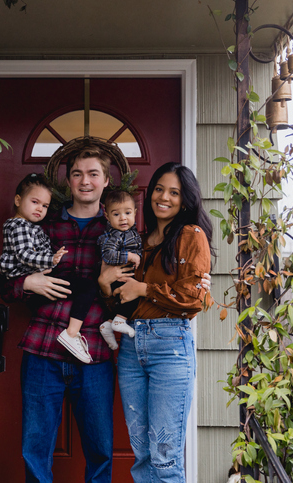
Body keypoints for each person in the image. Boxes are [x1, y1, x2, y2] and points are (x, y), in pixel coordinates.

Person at [0, 147, 115, 483]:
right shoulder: (42, 225)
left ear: (105, 181)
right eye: (77, 173)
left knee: (101, 451)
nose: (85, 181)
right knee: (35, 450)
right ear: (69, 180)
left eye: (93, 174)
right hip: (43, 351)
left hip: (93, 353)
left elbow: (128, 289)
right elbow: (5, 284)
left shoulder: (116, 230)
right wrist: (27, 282)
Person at [99, 162, 214, 482]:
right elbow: (123, 301)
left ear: (186, 200)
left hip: (170, 346)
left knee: (165, 456)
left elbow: (195, 299)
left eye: (174, 192)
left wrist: (145, 288)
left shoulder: (191, 236)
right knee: (143, 454)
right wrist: (106, 286)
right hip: (132, 347)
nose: (164, 197)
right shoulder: (139, 241)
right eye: (159, 189)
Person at [0, 173, 98, 363]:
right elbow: (24, 256)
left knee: (83, 286)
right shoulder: (19, 226)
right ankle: (71, 333)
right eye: (35, 202)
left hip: (95, 346)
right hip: (42, 341)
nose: (40, 209)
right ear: (18, 200)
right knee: (87, 287)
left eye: (44, 206)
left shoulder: (113, 225)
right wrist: (51, 261)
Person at [96, 190, 142, 350]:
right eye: (116, 214)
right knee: (133, 297)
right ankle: (120, 320)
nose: (123, 218)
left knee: (120, 301)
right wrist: (129, 256)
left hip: (122, 276)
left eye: (128, 213)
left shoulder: (129, 233)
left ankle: (108, 324)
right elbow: (108, 255)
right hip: (117, 276)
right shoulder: (115, 235)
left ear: (135, 213)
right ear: (107, 216)